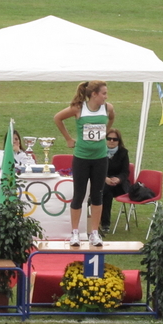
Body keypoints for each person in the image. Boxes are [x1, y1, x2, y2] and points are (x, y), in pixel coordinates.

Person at [54, 81, 115, 247]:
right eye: (103, 93)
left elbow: (111, 119)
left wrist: (104, 132)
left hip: (100, 158)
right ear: (94, 94)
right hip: (81, 157)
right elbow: (58, 118)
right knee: (79, 194)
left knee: (97, 195)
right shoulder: (79, 108)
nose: (106, 96)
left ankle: (94, 232)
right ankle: (74, 232)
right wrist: (68, 139)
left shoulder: (107, 108)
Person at [100, 128, 130, 236]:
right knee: (107, 193)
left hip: (119, 186)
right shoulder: (99, 152)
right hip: (104, 183)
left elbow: (125, 172)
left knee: (104, 191)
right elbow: (96, 170)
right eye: (109, 138)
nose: (111, 141)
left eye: (115, 139)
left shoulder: (123, 152)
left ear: (119, 141)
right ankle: (105, 224)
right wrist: (105, 178)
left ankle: (91, 202)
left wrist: (118, 179)